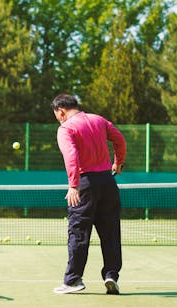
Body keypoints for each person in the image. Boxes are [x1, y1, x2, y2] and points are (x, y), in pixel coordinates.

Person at [51, 93, 126, 295]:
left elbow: (71, 155)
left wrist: (73, 185)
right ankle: (111, 275)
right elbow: (119, 139)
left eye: (56, 114)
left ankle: (73, 280)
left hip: (85, 185)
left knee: (78, 232)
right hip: (108, 182)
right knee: (110, 232)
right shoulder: (98, 120)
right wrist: (118, 162)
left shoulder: (65, 128)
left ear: (61, 111)